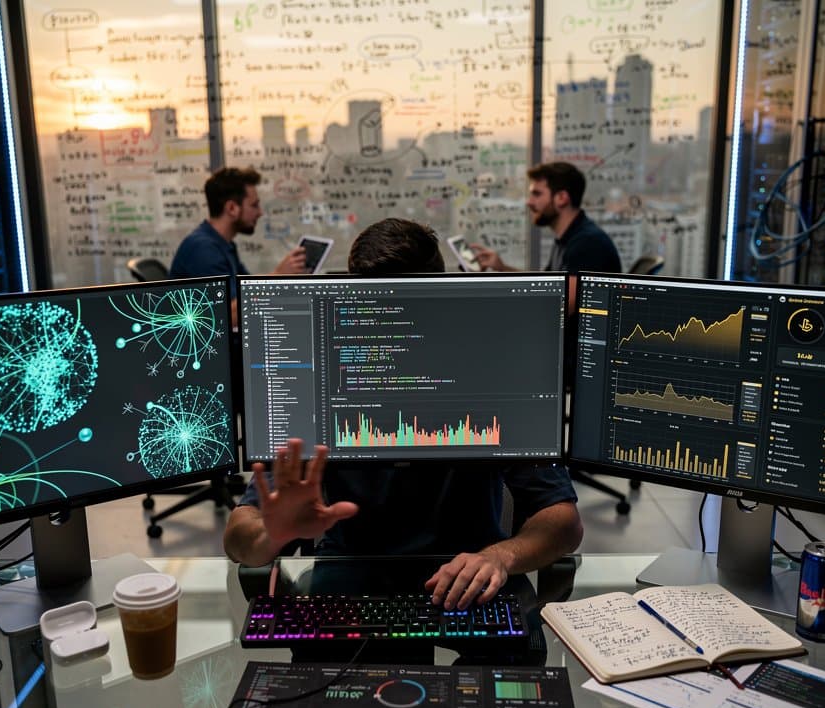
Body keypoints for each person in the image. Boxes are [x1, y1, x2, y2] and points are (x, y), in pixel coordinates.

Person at [223, 218, 584, 611]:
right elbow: (239, 534)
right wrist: (271, 536)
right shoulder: (315, 380)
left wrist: (501, 556)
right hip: (351, 571)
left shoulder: (495, 373)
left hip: (470, 572)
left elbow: (563, 521)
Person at [471, 162, 621, 309]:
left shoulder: (587, 244)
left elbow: (559, 305)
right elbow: (544, 285)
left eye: (536, 194)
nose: (529, 202)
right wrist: (502, 268)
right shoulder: (568, 238)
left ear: (562, 198)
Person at [170, 167, 307, 321]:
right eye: (254, 205)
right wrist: (278, 276)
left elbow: (247, 288)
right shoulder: (203, 250)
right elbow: (225, 315)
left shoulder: (223, 245)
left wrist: (284, 277)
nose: (260, 212)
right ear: (232, 208)